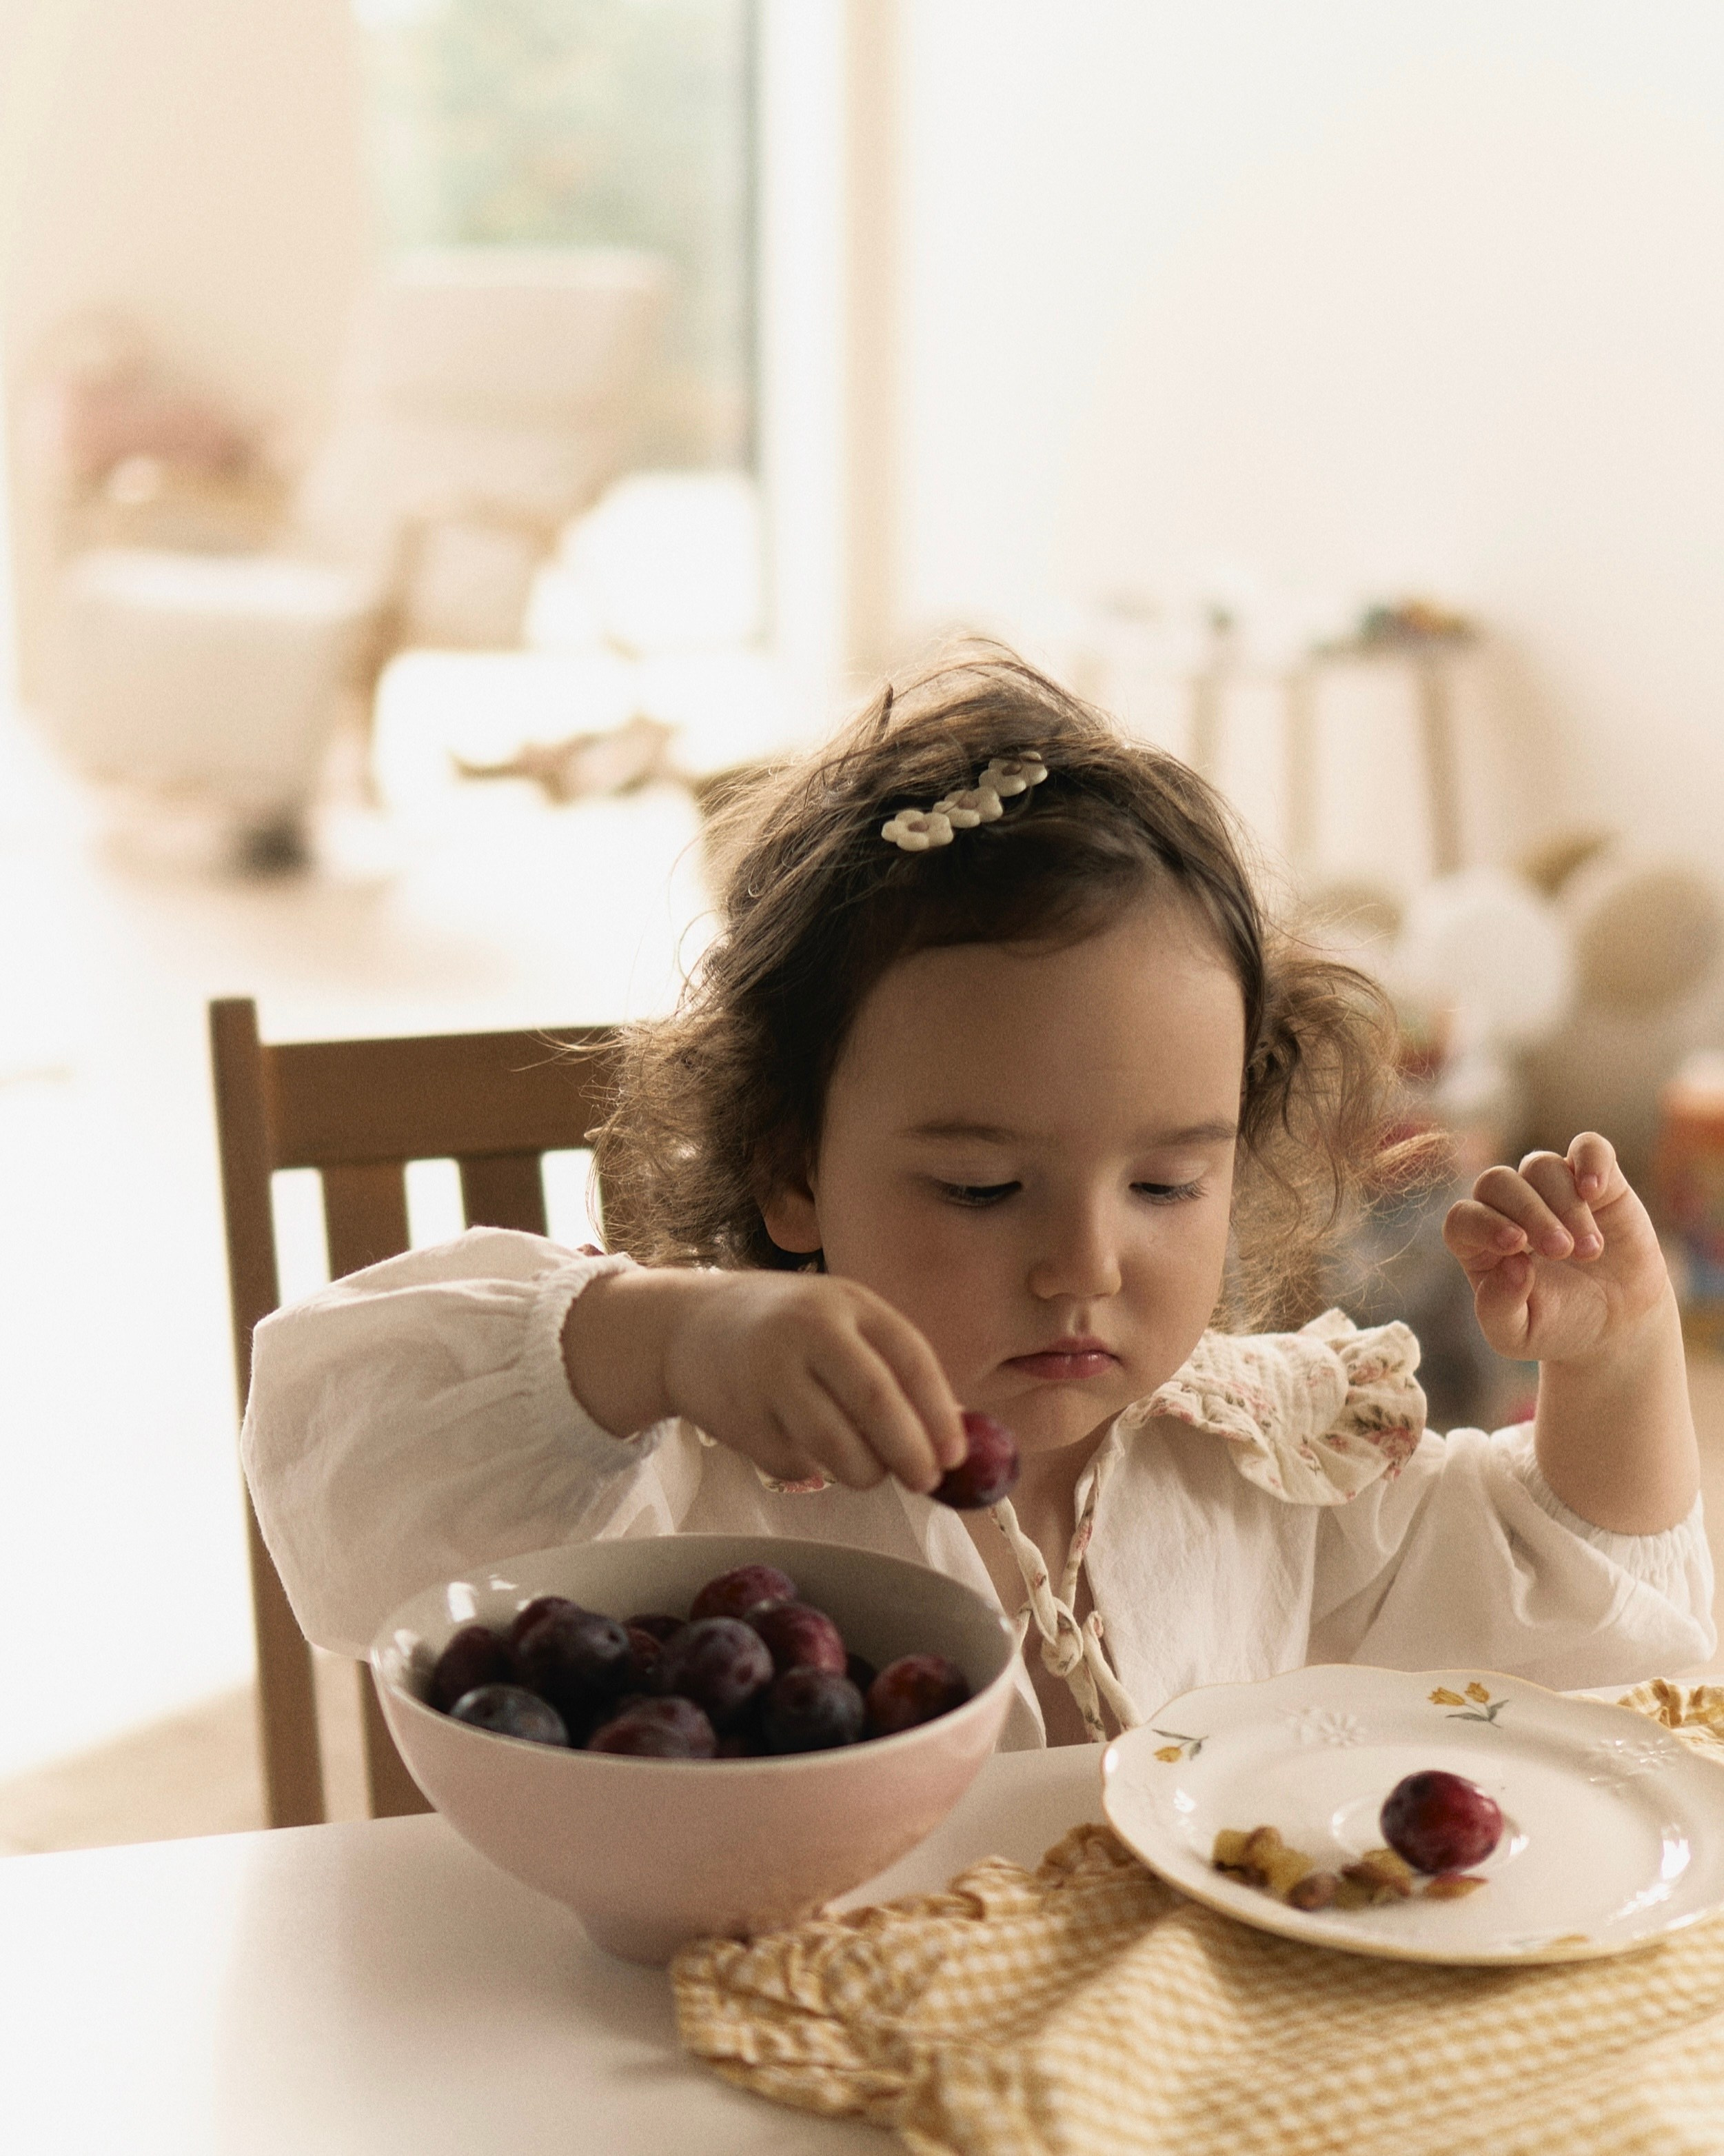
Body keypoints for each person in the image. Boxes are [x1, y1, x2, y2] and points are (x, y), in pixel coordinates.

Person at [243, 648, 1714, 1748]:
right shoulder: (687, 1470)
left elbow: (1581, 1647)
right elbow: (332, 1442)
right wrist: (669, 1341)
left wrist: (1621, 1359)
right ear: (790, 1166)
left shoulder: (1271, 1458)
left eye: (1164, 1179)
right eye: (981, 1184)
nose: (1081, 1260)